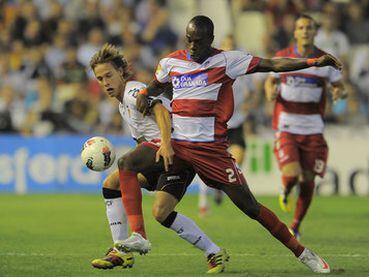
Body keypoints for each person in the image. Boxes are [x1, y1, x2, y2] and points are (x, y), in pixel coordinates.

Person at [126, 15, 342, 273]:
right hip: (178, 145)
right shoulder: (170, 62)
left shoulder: (228, 60)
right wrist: (143, 93)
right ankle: (138, 235)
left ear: (211, 40)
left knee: (251, 208)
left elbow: (272, 64)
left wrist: (313, 62)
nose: (193, 46)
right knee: (126, 164)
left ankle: (303, 253)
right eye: (189, 40)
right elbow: (155, 86)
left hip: (211, 151)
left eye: (199, 41)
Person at [89, 44, 228, 273]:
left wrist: (165, 144)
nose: (105, 82)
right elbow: (142, 141)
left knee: (124, 166)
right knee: (153, 209)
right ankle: (214, 252)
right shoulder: (124, 104)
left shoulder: (134, 92)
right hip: (159, 157)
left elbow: (162, 113)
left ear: (122, 72)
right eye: (100, 78)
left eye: (109, 75)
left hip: (175, 151)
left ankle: (135, 238)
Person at [264, 14, 347, 239]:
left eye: (309, 27)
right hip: (287, 124)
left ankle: (296, 226)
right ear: (295, 32)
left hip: (313, 127)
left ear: (315, 32)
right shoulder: (282, 57)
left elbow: (340, 86)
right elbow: (270, 79)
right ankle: (285, 188)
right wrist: (269, 90)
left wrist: (340, 93)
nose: (305, 31)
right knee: (292, 175)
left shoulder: (326, 60)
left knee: (308, 180)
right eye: (301, 27)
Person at [198, 34, 256, 216]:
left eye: (232, 45)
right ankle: (203, 200)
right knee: (207, 164)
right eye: (226, 45)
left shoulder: (242, 71)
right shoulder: (214, 68)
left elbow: (253, 93)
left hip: (236, 122)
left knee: (238, 159)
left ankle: (219, 187)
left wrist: (249, 104)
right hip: (216, 124)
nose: (229, 49)